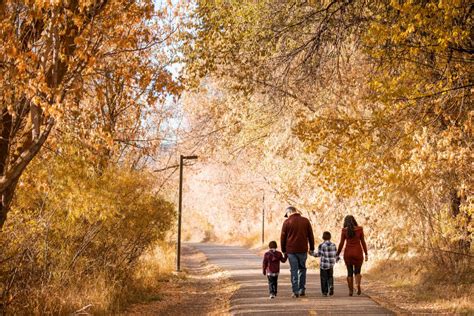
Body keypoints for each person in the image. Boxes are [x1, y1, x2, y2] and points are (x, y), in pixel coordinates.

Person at [280, 206, 315, 298]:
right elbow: (311, 235)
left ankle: (295, 291)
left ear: (289, 212)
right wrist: (312, 248)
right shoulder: (305, 221)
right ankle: (302, 289)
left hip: (291, 251)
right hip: (303, 249)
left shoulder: (287, 222)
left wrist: (283, 250)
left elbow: (283, 238)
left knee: (294, 270)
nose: (287, 216)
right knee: (302, 269)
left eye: (287, 214)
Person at [336, 215, 368, 296]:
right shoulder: (360, 229)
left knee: (349, 272)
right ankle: (357, 285)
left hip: (348, 253)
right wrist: (366, 253)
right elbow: (363, 242)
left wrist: (337, 254)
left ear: (345, 222)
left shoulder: (344, 230)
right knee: (357, 271)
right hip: (358, 253)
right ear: (354, 221)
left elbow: (341, 243)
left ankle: (350, 291)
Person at [311, 231, 337, 296]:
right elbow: (336, 254)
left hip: (324, 265)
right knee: (330, 277)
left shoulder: (321, 245)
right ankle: (331, 286)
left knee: (323, 278)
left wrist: (312, 253)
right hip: (331, 265)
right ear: (330, 237)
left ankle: (324, 292)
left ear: (323, 237)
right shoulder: (333, 245)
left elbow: (318, 254)